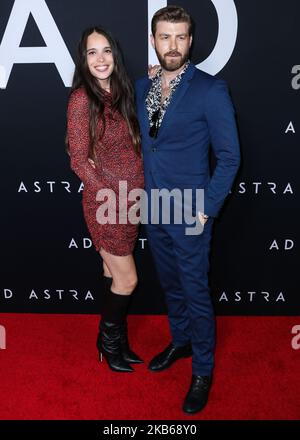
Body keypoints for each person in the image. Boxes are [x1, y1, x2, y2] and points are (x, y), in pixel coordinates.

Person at [135, 6, 240, 413]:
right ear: (153, 40)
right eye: (165, 37)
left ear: (191, 41)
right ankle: (181, 341)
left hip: (191, 211)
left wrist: (206, 210)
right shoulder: (143, 87)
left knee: (195, 290)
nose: (173, 45)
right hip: (155, 207)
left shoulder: (211, 90)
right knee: (170, 284)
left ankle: (203, 369)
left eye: (180, 37)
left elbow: (230, 157)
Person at [67, 26, 144, 373]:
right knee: (127, 280)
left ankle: (119, 343)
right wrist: (111, 193)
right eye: (91, 52)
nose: (100, 59)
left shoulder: (124, 91)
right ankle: (108, 341)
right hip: (107, 203)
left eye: (106, 51)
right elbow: (79, 160)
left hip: (132, 201)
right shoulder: (83, 98)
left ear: (116, 55)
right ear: (83, 60)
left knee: (111, 274)